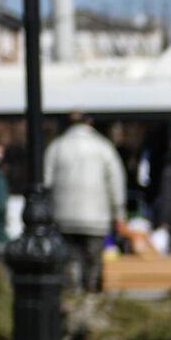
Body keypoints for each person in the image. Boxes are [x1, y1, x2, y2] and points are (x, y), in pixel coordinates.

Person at [43, 112, 125, 291]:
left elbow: (46, 182)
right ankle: (90, 300)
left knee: (70, 261)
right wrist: (118, 213)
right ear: (90, 122)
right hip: (96, 217)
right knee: (93, 262)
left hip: (64, 216)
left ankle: (71, 297)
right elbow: (116, 182)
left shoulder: (57, 146)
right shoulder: (103, 147)